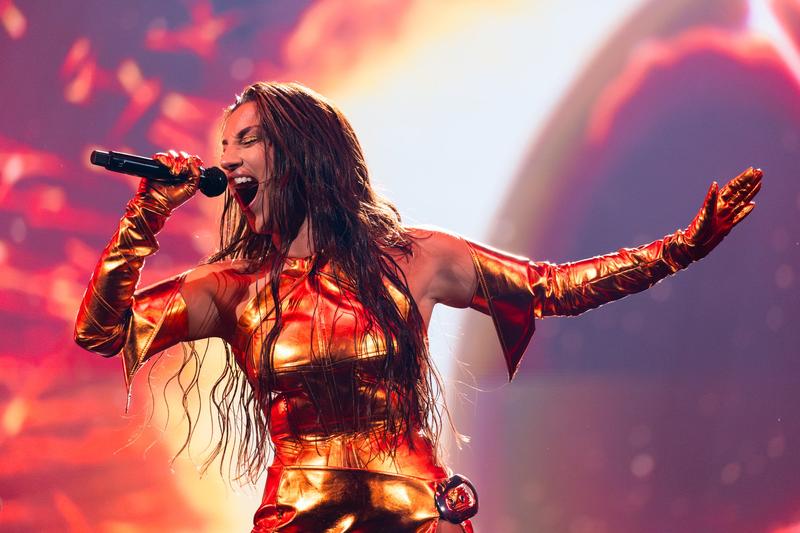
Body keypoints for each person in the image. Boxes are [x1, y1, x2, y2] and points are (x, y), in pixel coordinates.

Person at [74, 81, 762, 532]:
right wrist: (144, 215)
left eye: (245, 140)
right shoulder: (231, 287)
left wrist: (683, 247)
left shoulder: (415, 258)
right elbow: (101, 331)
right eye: (223, 146)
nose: (226, 158)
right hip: (299, 518)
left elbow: (552, 286)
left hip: (417, 515)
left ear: (302, 152)